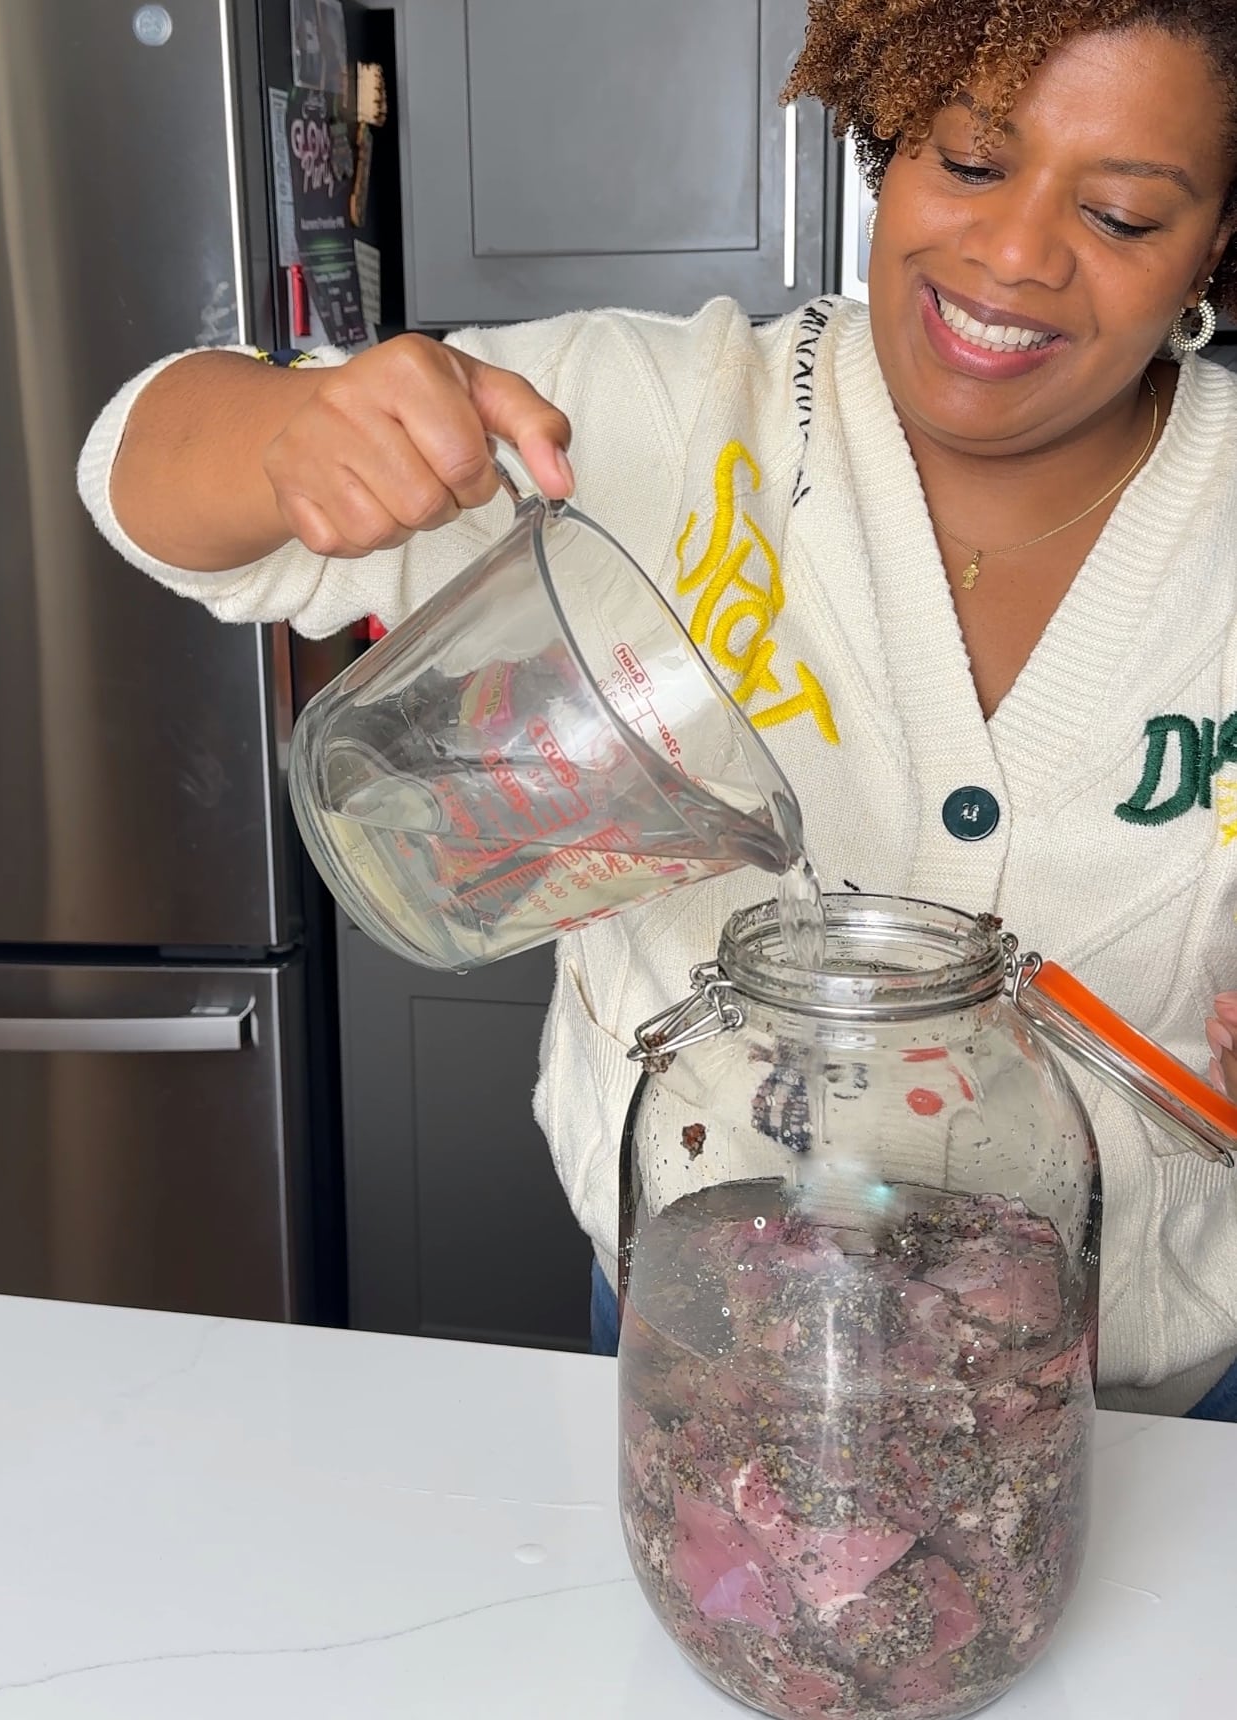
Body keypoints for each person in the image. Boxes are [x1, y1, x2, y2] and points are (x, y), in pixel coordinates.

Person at [79, 0, 1237, 1417]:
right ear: (892, 134)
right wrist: (285, 435)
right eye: (971, 163)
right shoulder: (653, 412)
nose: (1015, 253)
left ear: (1215, 242)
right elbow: (133, 472)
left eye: (1121, 216)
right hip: (701, 1333)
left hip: (1147, 1391)